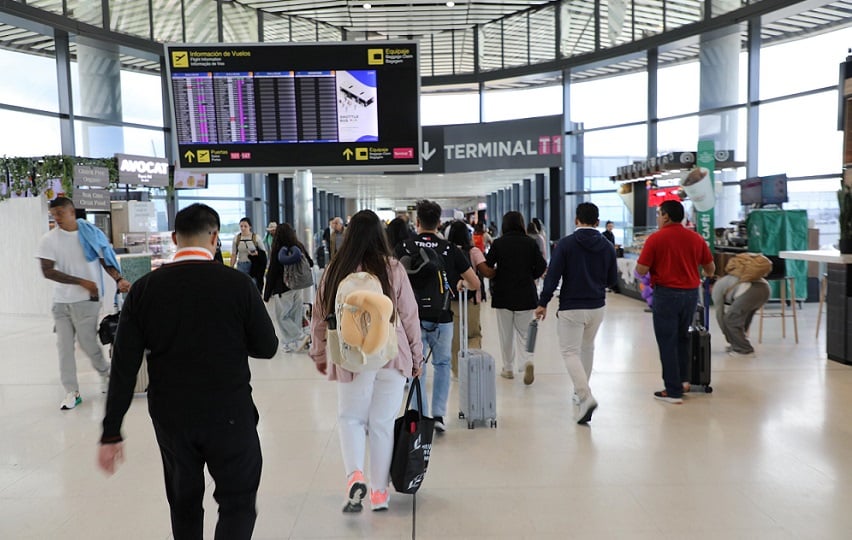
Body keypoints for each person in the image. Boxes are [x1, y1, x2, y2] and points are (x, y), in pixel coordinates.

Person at [97, 203, 278, 540]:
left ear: (174, 237)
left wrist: (111, 431)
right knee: (237, 502)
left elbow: (124, 366)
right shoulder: (238, 285)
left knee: (184, 502)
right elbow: (267, 348)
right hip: (230, 413)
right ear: (214, 238)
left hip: (172, 416)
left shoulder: (145, 290)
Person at [309, 210, 424, 513]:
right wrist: (416, 356)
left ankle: (354, 477)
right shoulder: (393, 268)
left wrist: (320, 354)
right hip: (390, 352)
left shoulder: (336, 269)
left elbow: (320, 317)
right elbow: (410, 316)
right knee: (382, 424)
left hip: (351, 356)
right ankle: (378, 494)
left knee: (351, 419)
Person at [36, 196, 131, 410]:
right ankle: (72, 391)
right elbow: (47, 271)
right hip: (61, 302)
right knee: (64, 348)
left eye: (60, 214)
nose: (57, 219)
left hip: (87, 301)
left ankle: (106, 374)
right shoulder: (49, 240)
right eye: (53, 215)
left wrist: (119, 280)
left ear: (71, 212)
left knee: (88, 345)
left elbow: (105, 260)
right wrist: (81, 281)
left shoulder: (89, 235)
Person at [395, 200, 480, 432]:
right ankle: (439, 416)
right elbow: (475, 283)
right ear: (439, 222)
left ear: (417, 222)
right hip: (442, 317)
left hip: (410, 319)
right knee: (442, 364)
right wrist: (460, 282)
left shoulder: (404, 247)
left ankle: (419, 415)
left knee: (416, 366)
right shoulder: (450, 249)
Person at [534, 203, 617, 425]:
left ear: (576, 220)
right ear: (598, 222)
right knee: (587, 347)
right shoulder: (608, 246)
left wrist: (543, 302)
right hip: (597, 306)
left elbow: (553, 276)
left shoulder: (566, 244)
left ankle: (585, 395)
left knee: (570, 352)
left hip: (572, 306)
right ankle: (580, 391)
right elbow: (612, 280)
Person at [635, 200, 715, 404]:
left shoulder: (656, 239)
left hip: (666, 294)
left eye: (659, 214)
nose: (658, 218)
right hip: (690, 294)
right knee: (682, 338)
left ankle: (672, 390)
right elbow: (710, 269)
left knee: (667, 341)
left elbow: (642, 269)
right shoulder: (696, 238)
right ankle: (684, 381)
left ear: (666, 216)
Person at [479, 211, 547, 385]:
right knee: (525, 334)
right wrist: (530, 275)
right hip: (526, 293)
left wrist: (496, 274)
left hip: (503, 294)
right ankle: (527, 361)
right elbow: (542, 266)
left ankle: (508, 368)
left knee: (506, 334)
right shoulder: (530, 243)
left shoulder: (499, 243)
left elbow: (488, 265)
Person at [446, 221, 487, 379]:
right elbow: (483, 270)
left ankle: (456, 371)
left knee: (455, 337)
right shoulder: (474, 251)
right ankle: (473, 365)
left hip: (451, 300)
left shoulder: (447, 252)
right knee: (474, 334)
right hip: (471, 300)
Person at [264, 222, 314, 353]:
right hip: (298, 286)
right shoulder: (299, 246)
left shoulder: (278, 249)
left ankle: (300, 336)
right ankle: (289, 343)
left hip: (283, 288)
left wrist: (267, 293)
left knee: (282, 317)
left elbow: (272, 273)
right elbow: (311, 263)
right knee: (294, 314)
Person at [711, 273, 770, 357]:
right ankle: (737, 345)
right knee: (743, 318)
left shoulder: (716, 287)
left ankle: (744, 350)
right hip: (765, 288)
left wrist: (727, 335)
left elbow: (719, 315)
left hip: (750, 291)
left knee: (730, 319)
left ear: (710, 287)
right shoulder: (727, 279)